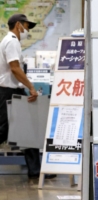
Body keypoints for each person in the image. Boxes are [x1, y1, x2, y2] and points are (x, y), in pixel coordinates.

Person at [0, 14, 55, 179]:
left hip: (13, 90)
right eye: (26, 26)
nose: (28, 30)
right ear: (18, 25)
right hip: (7, 92)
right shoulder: (11, 41)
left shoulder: (11, 41)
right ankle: (35, 169)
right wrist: (30, 87)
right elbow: (15, 68)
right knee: (3, 130)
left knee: (27, 127)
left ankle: (35, 169)